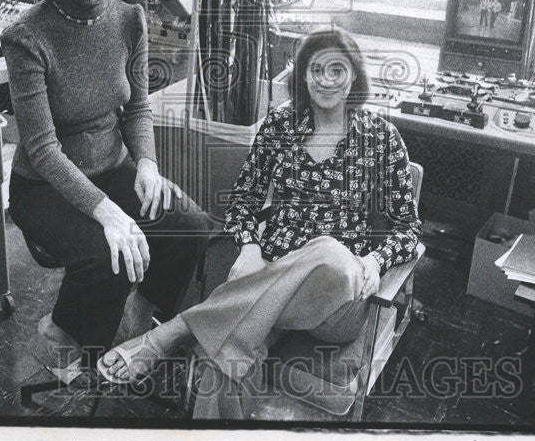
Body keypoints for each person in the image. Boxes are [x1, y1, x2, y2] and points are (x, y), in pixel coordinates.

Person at [99, 28, 421, 418]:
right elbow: (244, 199)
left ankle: (176, 329)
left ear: (355, 76)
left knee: (332, 256)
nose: (326, 79)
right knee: (221, 363)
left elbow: (408, 228)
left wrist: (373, 261)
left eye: (338, 70)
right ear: (302, 75)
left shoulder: (381, 138)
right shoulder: (280, 126)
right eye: (315, 69)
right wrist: (251, 246)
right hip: (270, 275)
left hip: (336, 297)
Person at [2, 0, 209, 375]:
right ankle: (63, 344)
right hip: (45, 187)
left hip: (113, 168)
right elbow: (42, 149)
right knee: (107, 254)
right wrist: (110, 213)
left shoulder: (129, 18)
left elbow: (136, 107)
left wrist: (149, 167)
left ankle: (140, 325)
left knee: (189, 226)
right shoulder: (27, 35)